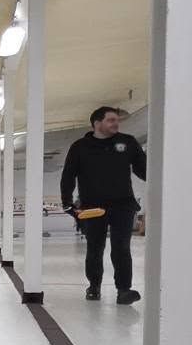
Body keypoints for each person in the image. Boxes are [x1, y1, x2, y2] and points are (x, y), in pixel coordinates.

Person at [61, 105, 148, 304]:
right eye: (111, 120)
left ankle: (124, 290)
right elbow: (68, 177)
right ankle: (94, 286)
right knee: (94, 248)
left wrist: (162, 178)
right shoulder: (80, 147)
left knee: (121, 248)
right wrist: (68, 204)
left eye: (117, 120)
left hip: (123, 205)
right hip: (92, 207)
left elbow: (143, 169)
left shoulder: (128, 142)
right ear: (97, 123)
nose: (116, 123)